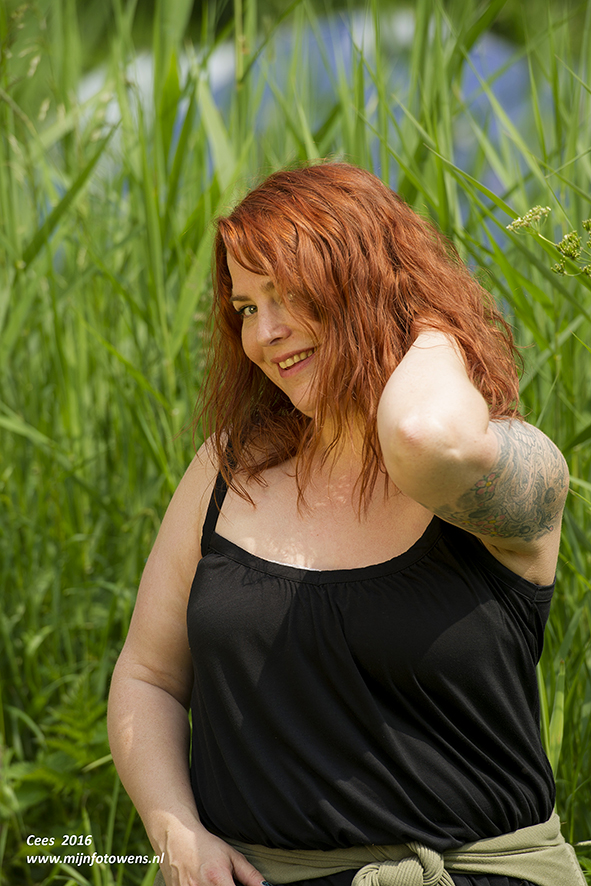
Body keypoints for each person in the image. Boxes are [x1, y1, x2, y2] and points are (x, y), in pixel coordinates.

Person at [107, 162, 585, 886]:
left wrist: (422, 320)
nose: (265, 334)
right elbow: (148, 676)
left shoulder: (502, 466)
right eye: (246, 307)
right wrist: (173, 828)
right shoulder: (226, 469)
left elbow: (424, 435)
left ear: (365, 286)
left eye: (290, 295)